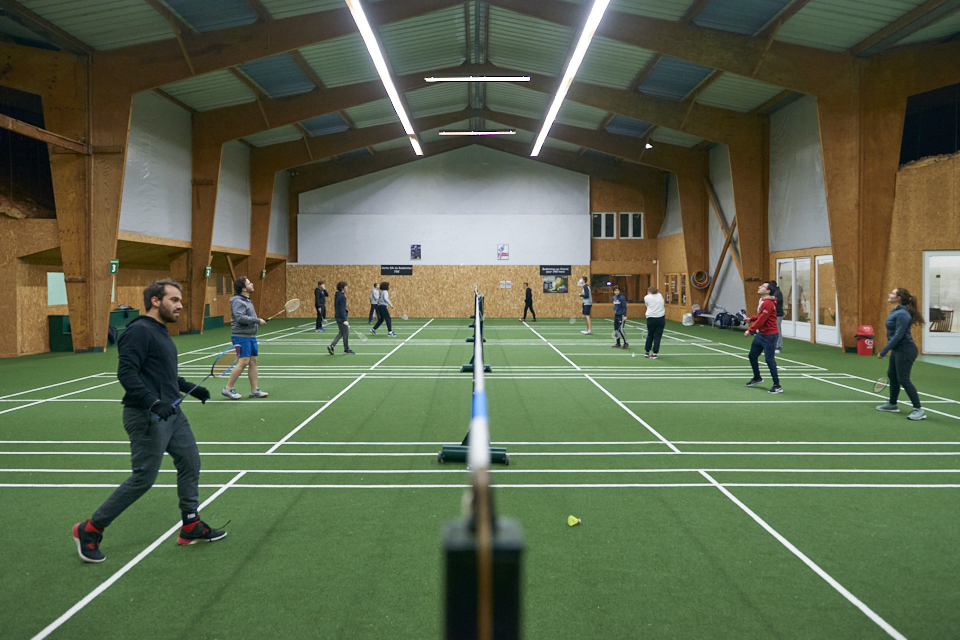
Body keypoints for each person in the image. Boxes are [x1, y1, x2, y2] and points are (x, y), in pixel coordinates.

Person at [72, 279, 224, 563]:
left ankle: (190, 524)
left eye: (180, 300)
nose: (180, 305)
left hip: (172, 414)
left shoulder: (160, 332)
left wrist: (190, 387)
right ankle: (90, 529)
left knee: (190, 461)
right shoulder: (139, 331)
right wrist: (153, 402)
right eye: (174, 300)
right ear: (156, 301)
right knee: (143, 478)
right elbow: (127, 374)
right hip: (147, 415)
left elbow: (163, 375)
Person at [876, 287, 926, 420]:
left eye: (892, 293)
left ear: (898, 298)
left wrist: (884, 350)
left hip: (906, 350)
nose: (889, 294)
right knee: (892, 375)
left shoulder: (903, 314)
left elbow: (898, 336)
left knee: (903, 379)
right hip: (898, 350)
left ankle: (919, 409)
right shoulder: (896, 311)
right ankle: (892, 404)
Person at [223, 276, 268, 400]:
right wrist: (257, 320)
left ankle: (254, 390)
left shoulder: (247, 300)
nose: (252, 284)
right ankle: (227, 389)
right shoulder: (238, 301)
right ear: (243, 288)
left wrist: (256, 322)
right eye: (249, 283)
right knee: (243, 362)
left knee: (253, 361)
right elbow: (240, 318)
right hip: (241, 336)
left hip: (250, 335)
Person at [744, 281, 782, 394]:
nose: (759, 287)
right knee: (752, 355)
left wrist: (750, 330)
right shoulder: (763, 301)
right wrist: (751, 319)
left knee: (769, 360)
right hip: (761, 334)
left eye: (763, 287)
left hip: (770, 335)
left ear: (768, 291)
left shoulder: (768, 303)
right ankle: (757, 378)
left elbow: (762, 320)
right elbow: (760, 316)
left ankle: (777, 385)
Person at [328, 281, 355, 355]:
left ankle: (332, 345)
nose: (347, 287)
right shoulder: (342, 297)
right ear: (342, 288)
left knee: (341, 332)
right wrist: (345, 320)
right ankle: (346, 349)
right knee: (346, 333)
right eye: (346, 286)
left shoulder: (337, 295)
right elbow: (342, 309)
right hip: (342, 317)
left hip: (337, 316)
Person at [644, 286, 665, 358]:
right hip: (660, 318)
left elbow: (647, 305)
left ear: (649, 291)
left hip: (651, 318)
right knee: (657, 337)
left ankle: (647, 352)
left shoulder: (647, 297)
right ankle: (655, 353)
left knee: (650, 335)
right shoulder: (660, 295)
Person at [772, 281, 784, 353]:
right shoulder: (773, 293)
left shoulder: (777, 293)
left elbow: (773, 300)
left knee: (777, 330)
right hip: (773, 315)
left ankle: (779, 347)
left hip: (778, 315)